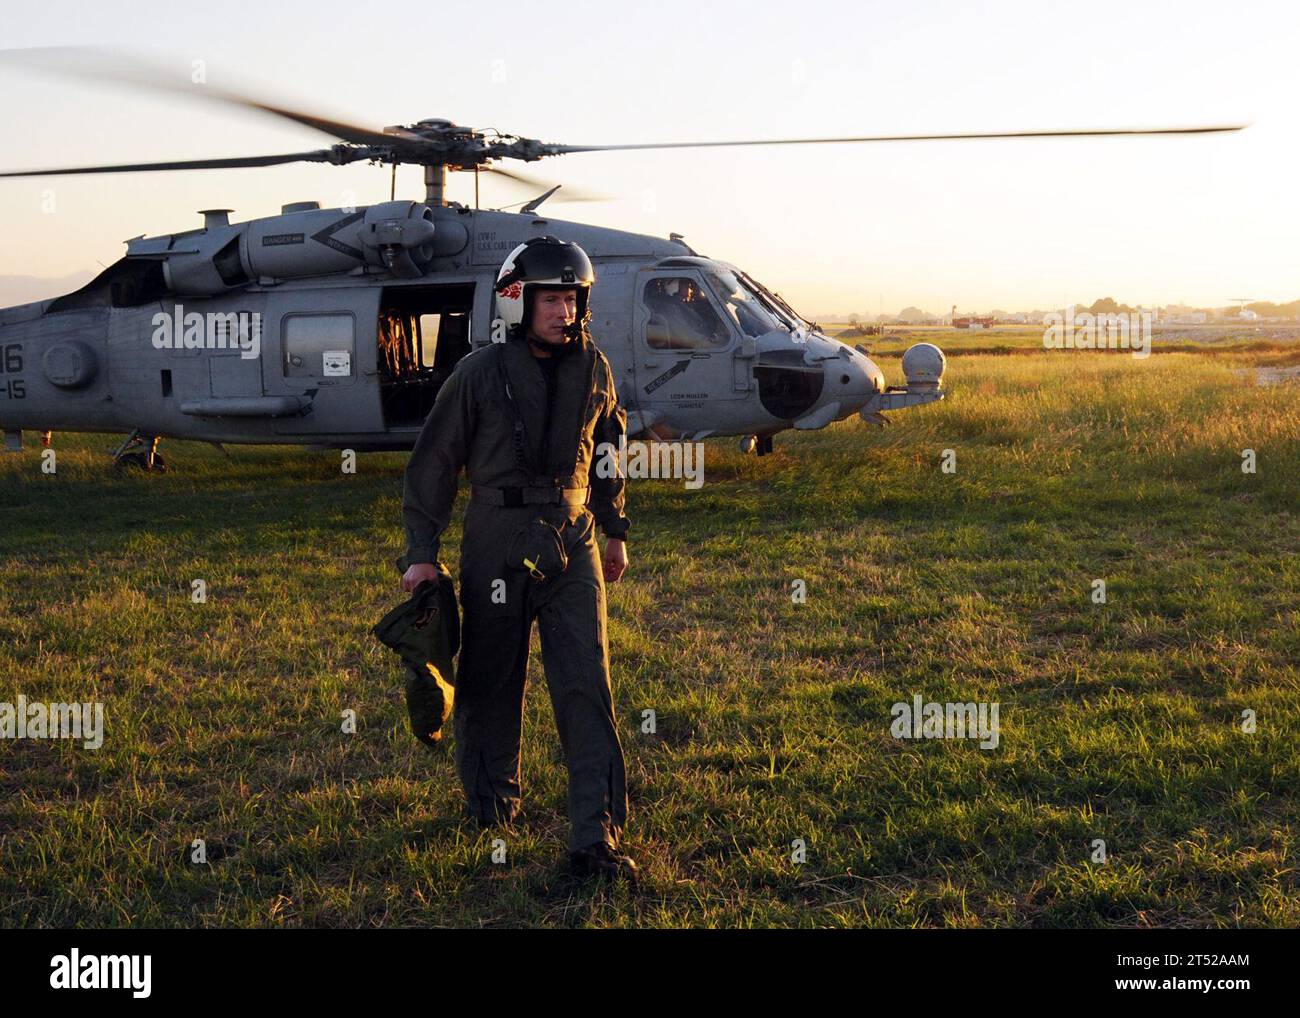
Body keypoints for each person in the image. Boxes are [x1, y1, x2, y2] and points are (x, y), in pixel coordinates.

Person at [399, 236, 637, 881]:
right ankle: (490, 806)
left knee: (586, 683)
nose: (564, 311)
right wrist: (421, 554)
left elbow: (609, 451)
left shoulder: (597, 368)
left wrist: (613, 528)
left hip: (574, 536)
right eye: (552, 299)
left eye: (572, 298)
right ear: (518, 301)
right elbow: (435, 464)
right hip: (496, 536)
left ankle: (596, 837)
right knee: (491, 679)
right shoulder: (476, 374)